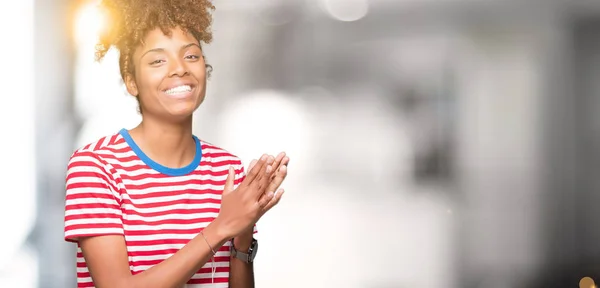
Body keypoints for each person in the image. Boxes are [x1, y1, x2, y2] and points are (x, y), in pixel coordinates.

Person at [62, 0, 289, 287]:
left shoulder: (226, 168)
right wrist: (221, 227)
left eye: (191, 56)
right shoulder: (96, 166)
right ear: (131, 81)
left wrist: (242, 242)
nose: (179, 69)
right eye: (158, 60)